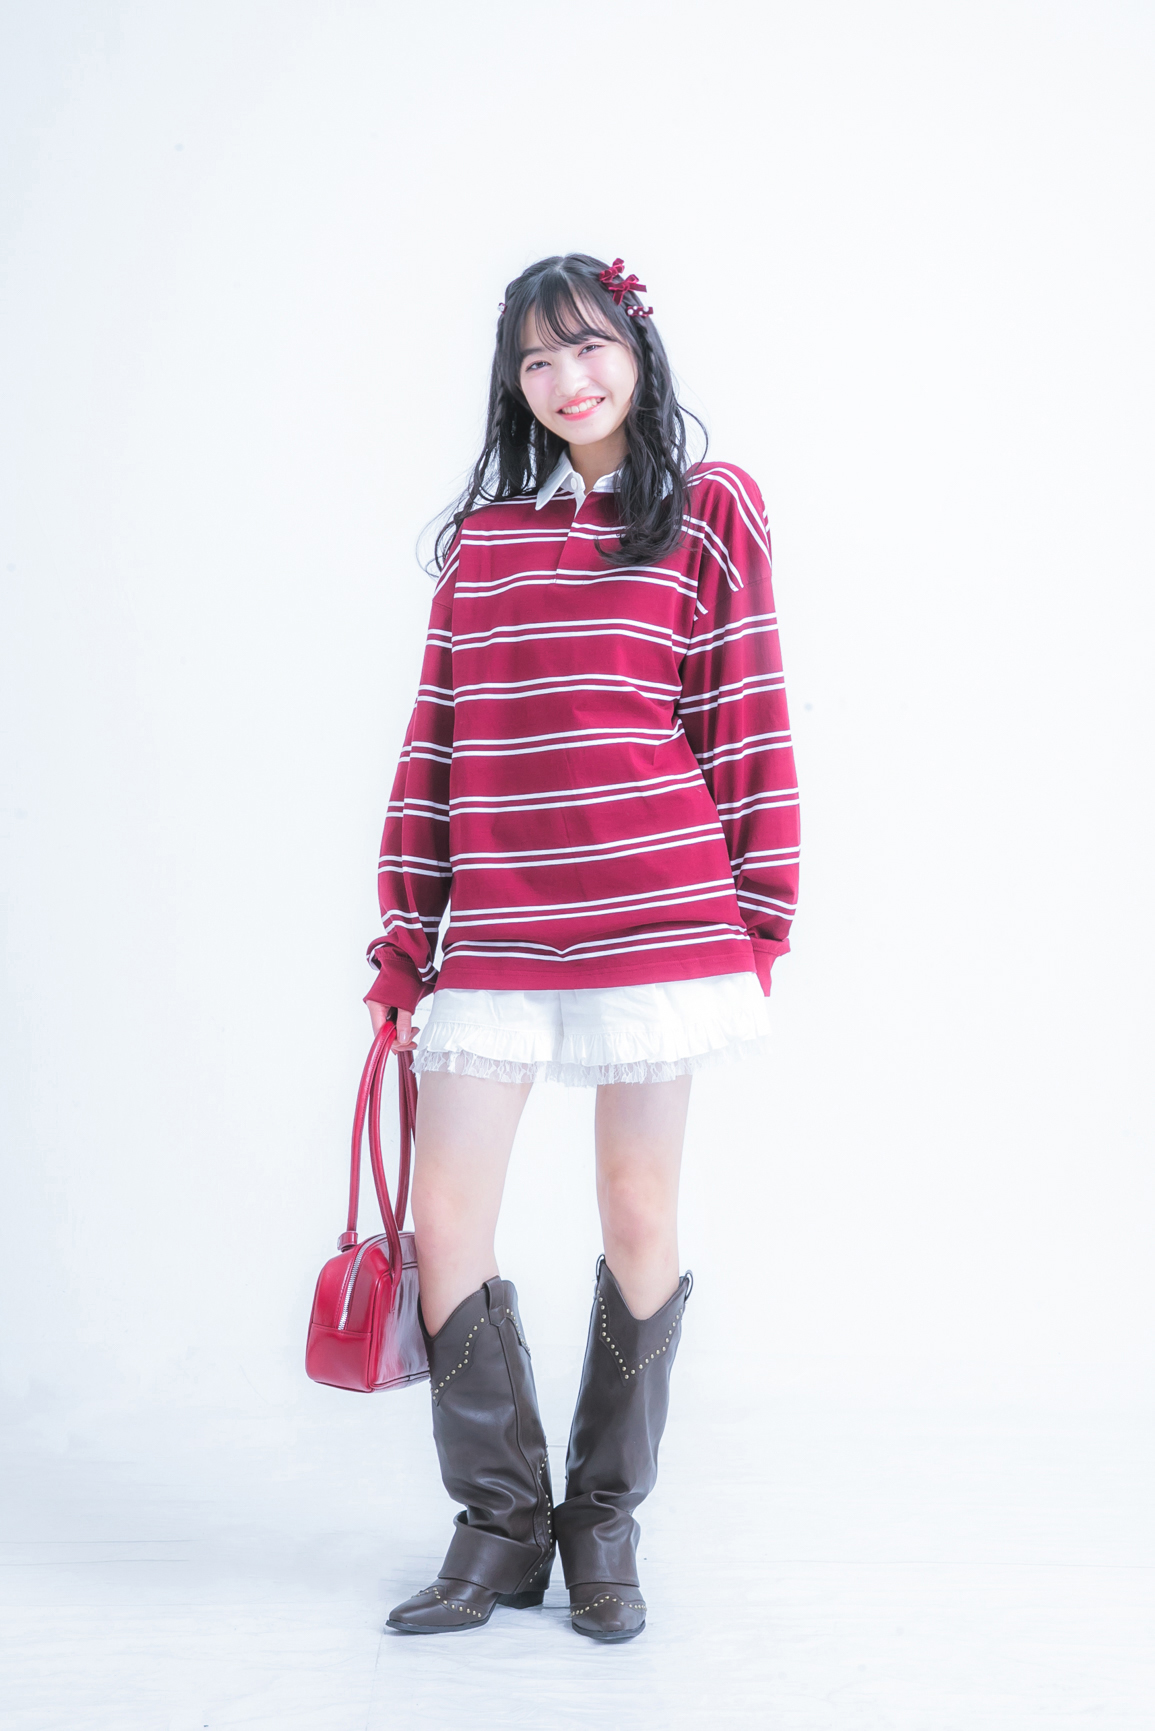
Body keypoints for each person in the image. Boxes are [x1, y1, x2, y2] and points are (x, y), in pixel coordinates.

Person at [364, 253, 800, 1641]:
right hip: (498, 924)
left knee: (635, 1211)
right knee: (448, 1223)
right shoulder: (485, 545)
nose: (570, 379)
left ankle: (602, 1524)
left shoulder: (710, 508)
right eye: (538, 360)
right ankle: (499, 1527)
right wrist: (404, 936)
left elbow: (746, 719)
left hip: (662, 914)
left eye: (592, 345)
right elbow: (437, 745)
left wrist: (759, 919)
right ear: (515, 384)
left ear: (638, 350)